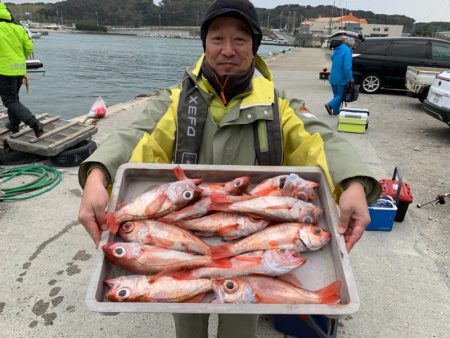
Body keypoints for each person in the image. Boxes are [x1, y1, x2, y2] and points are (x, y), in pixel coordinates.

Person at [78, 1, 380, 337]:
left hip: (250, 240)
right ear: (204, 45)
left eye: (240, 39)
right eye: (217, 38)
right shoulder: (175, 102)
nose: (228, 50)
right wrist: (98, 173)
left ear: (255, 47)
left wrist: (352, 182)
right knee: (187, 320)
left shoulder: (279, 107)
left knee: (241, 321)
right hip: (184, 238)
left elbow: (318, 140)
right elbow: (136, 136)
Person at [0, 2, 44, 137]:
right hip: (19, 68)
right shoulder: (18, 27)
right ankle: (14, 125)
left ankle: (34, 123)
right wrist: (17, 58)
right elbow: (29, 48)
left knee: (10, 101)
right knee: (14, 98)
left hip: (4, 70)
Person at [325, 37, 356, 115]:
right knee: (341, 95)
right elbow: (347, 67)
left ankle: (335, 111)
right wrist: (350, 78)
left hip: (333, 76)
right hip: (341, 78)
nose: (353, 47)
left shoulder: (338, 48)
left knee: (336, 95)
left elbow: (332, 57)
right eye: (353, 45)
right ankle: (329, 105)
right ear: (351, 44)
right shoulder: (347, 51)